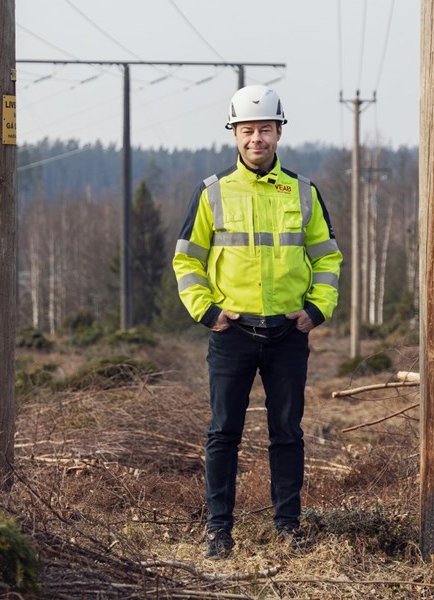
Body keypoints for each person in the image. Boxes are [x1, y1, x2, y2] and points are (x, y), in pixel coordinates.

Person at [171, 85, 343, 558]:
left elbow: (327, 256)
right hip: (233, 333)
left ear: (279, 131)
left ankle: (288, 527)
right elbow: (187, 261)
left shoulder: (304, 191)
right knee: (223, 432)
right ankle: (218, 532)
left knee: (286, 432)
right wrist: (207, 312)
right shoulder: (212, 193)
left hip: (288, 333)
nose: (256, 139)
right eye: (247, 130)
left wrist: (316, 310)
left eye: (265, 129)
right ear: (235, 134)